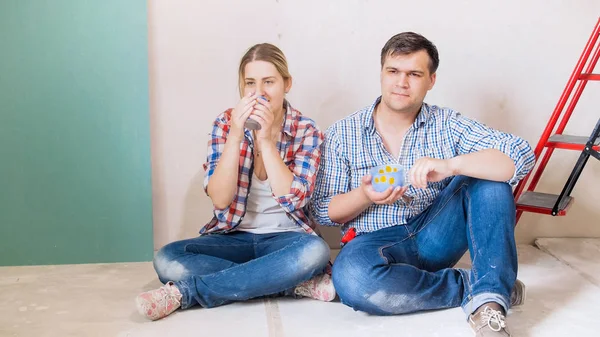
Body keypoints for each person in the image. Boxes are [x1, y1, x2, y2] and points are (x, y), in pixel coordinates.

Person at [311, 32, 535, 337]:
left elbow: (519, 154)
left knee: (491, 181)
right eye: (393, 72)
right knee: (351, 279)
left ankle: (489, 307)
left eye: (414, 74)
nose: (401, 83)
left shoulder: (446, 124)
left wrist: (450, 166)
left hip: (435, 234)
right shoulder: (343, 133)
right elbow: (324, 211)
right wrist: (365, 195)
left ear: (431, 80)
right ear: (381, 74)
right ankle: (483, 286)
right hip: (375, 244)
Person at [136, 43, 334, 321]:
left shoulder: (307, 130)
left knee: (315, 252)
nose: (259, 92)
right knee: (167, 258)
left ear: (286, 84)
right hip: (233, 236)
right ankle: (284, 281)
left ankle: (186, 293)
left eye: (269, 82)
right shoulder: (226, 123)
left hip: (288, 239)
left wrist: (265, 140)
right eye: (250, 83)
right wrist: (236, 136)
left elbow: (295, 198)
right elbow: (220, 199)